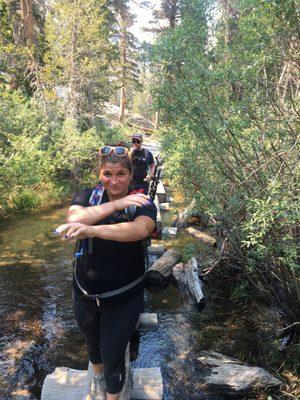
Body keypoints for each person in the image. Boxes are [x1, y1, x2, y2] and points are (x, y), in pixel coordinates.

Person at [54, 145, 157, 400]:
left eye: (120, 174)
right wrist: (117, 204)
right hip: (85, 294)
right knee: (93, 345)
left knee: (113, 355)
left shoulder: (142, 201)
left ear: (131, 174)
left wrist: (93, 231)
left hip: (124, 296)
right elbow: (75, 219)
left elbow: (140, 230)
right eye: (107, 173)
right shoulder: (87, 197)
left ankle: (112, 396)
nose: (114, 180)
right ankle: (97, 379)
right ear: (99, 173)